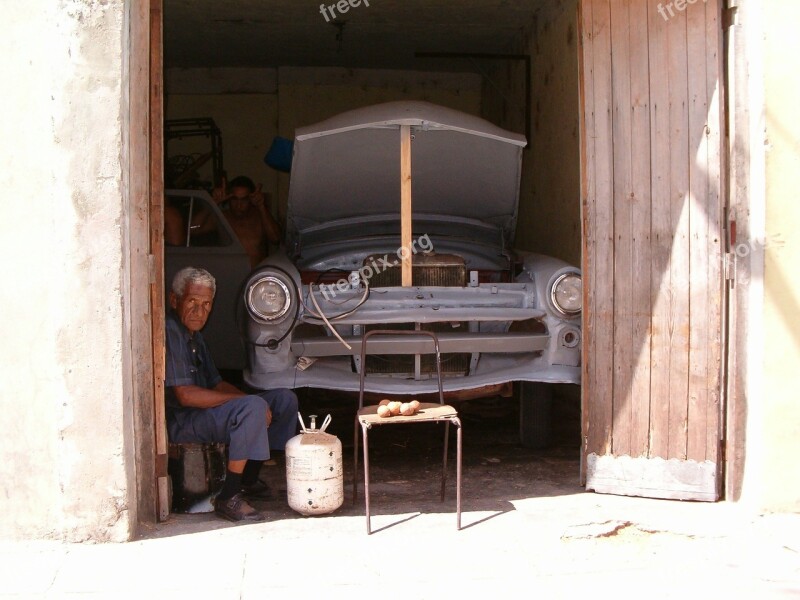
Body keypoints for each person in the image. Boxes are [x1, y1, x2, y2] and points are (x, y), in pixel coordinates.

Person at [165, 266, 298, 522]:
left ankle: (248, 479)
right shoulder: (172, 332)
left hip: (204, 414)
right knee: (252, 408)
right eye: (192, 301)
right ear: (175, 300)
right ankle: (229, 495)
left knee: (283, 400)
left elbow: (216, 384)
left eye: (206, 304)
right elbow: (185, 396)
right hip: (184, 420)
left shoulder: (194, 336)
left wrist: (253, 400)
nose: (199, 310)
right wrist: (247, 402)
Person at [212, 175, 282, 267]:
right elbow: (193, 228)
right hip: (227, 275)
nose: (239, 205)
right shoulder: (222, 217)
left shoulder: (259, 217)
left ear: (250, 199)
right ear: (228, 198)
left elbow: (276, 238)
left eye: (244, 200)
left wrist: (261, 206)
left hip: (255, 277)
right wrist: (213, 203)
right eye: (234, 199)